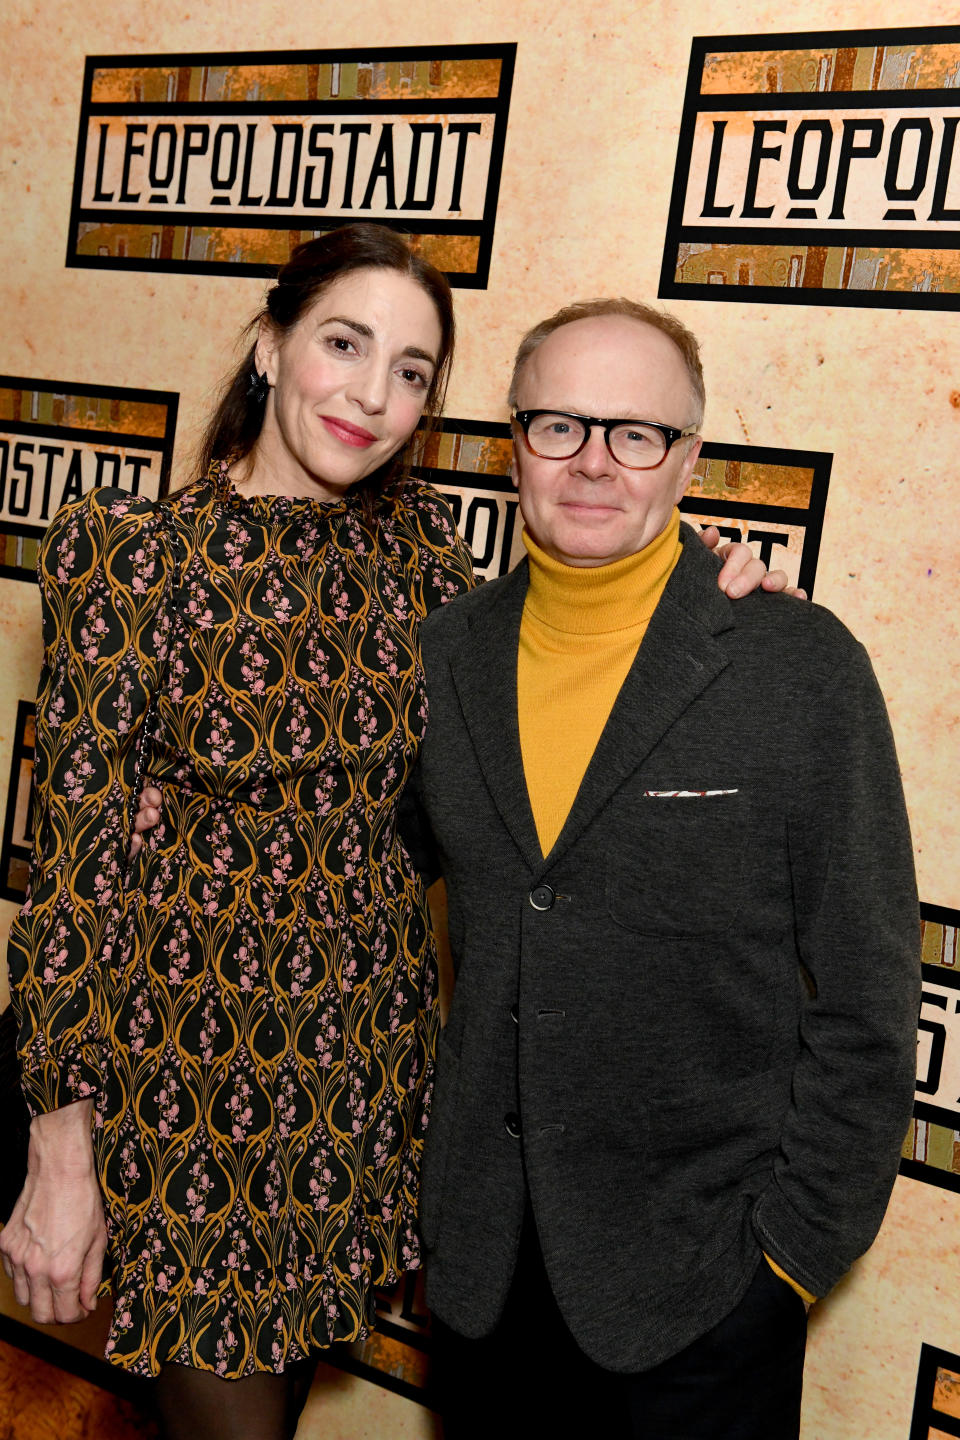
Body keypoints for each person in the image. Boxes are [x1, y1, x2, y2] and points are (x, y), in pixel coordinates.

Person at [0, 230, 782, 1440]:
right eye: (345, 344)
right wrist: (60, 1152)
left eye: (414, 371)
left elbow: (515, 765)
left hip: (365, 1073)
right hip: (190, 1074)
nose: (374, 395)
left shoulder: (426, 563)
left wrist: (721, 588)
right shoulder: (128, 554)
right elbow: (73, 879)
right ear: (271, 345)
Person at [411, 299, 921, 1439]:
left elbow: (871, 998)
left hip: (700, 1296)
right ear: (514, 443)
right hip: (487, 1282)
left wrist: (782, 1264)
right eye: (560, 425)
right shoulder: (443, 659)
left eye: (636, 433)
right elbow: (344, 881)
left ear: (688, 459)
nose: (595, 462)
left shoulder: (799, 668)